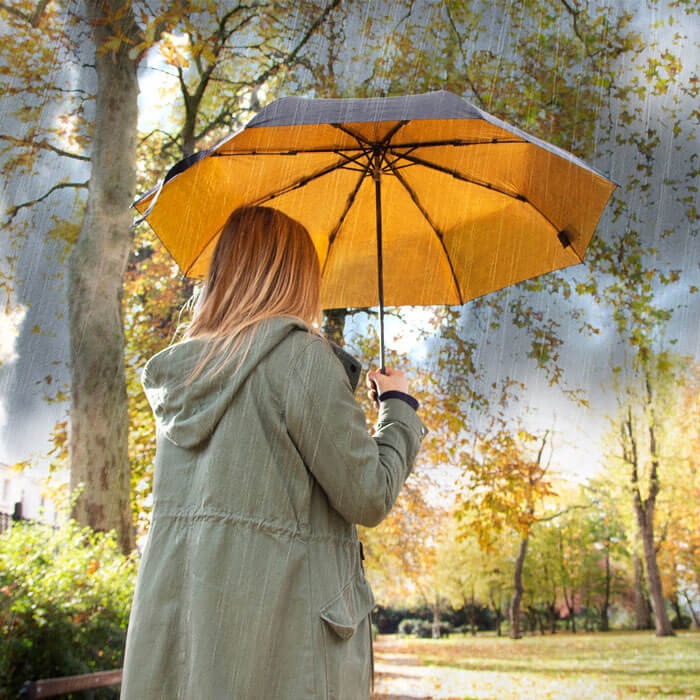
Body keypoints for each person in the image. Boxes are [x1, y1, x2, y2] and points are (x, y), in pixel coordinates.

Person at [120, 205, 428, 699]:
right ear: (295, 276)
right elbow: (368, 495)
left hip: (191, 649)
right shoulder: (301, 360)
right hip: (283, 653)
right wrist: (398, 408)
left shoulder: (184, 377)